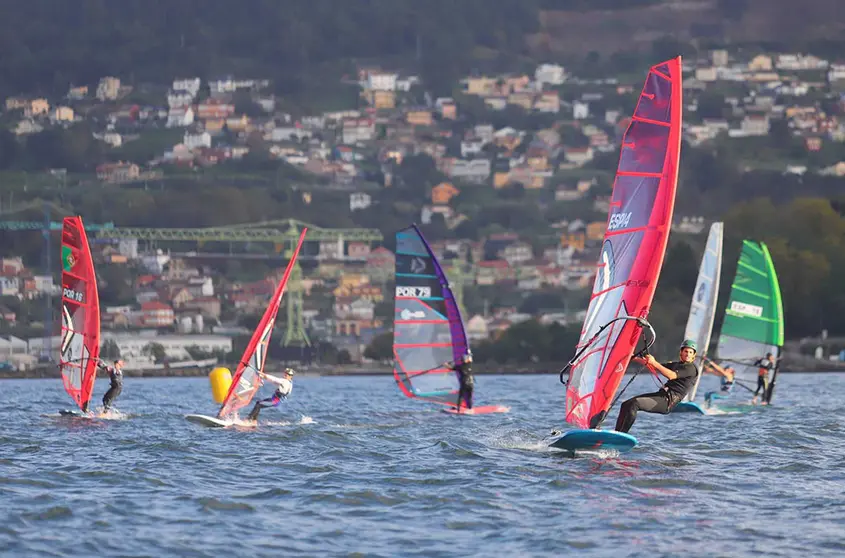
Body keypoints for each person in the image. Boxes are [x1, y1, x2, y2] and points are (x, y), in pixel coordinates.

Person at [615, 340, 700, 433]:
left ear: (693, 355)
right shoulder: (677, 365)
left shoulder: (691, 368)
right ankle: (617, 433)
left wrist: (654, 362)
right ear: (681, 352)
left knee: (634, 404)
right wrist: (633, 357)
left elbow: (671, 375)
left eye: (690, 352)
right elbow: (654, 366)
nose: (688, 354)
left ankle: (623, 434)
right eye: (686, 351)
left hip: (667, 401)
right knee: (625, 404)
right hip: (660, 395)